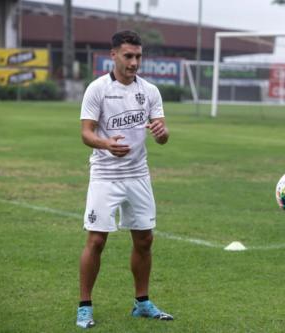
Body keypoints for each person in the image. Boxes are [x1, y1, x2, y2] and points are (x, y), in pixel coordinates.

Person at [76, 30, 173, 329]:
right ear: (114, 55)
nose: (134, 63)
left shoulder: (150, 91)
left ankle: (142, 303)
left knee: (144, 240)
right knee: (96, 240)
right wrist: (107, 144)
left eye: (138, 57)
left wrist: (162, 133)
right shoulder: (97, 89)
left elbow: (163, 134)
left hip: (138, 175)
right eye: (128, 56)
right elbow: (86, 133)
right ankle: (84, 307)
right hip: (105, 176)